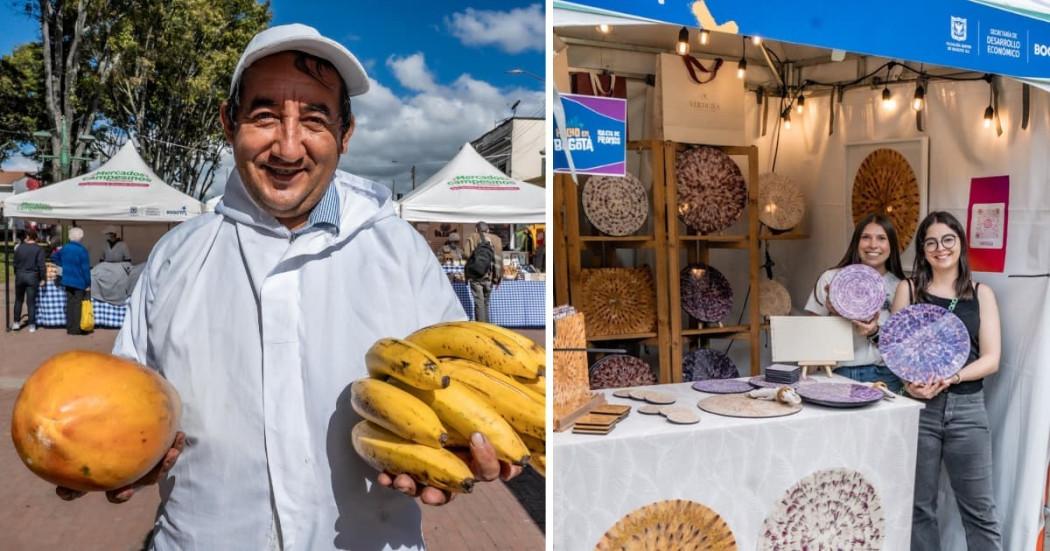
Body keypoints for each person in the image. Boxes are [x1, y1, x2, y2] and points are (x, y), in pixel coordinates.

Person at [55, 24, 520, 550]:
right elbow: (127, 399)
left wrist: (459, 450)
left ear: (346, 134)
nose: (288, 145)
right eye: (264, 115)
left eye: (316, 119)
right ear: (229, 123)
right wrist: (109, 455)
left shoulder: (401, 253)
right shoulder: (175, 257)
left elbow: (456, 394)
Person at [891, 211, 1002, 550]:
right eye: (931, 242)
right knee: (919, 507)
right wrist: (909, 383)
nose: (941, 248)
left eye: (948, 239)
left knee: (979, 509)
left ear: (960, 243)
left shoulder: (981, 293)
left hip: (967, 409)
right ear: (923, 250)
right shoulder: (908, 290)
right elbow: (897, 353)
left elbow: (991, 359)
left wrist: (952, 377)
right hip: (920, 409)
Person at [804, 213, 907, 392]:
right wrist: (833, 314)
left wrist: (873, 331)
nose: (873, 245)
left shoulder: (901, 287)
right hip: (839, 372)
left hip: (887, 374)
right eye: (865, 237)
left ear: (891, 245)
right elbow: (812, 336)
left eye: (881, 238)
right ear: (856, 243)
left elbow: (903, 344)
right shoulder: (831, 279)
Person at [49, 227, 91, 335]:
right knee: (77, 305)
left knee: (70, 303)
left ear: (69, 237)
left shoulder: (65, 248)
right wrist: (88, 283)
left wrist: (63, 264)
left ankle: (69, 327)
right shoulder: (82, 250)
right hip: (79, 281)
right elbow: (86, 269)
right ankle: (75, 329)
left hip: (67, 280)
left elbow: (53, 256)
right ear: (81, 237)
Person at [463, 221, 503, 322]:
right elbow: (500, 260)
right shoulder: (496, 239)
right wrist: (498, 278)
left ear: (476, 230)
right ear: (488, 230)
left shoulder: (473, 237)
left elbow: (466, 254)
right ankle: (487, 327)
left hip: (476, 275)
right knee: (485, 303)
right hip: (490, 276)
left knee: (479, 303)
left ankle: (481, 328)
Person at [11, 229, 47, 332]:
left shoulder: (19, 248)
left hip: (20, 275)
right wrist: (43, 278)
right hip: (32, 277)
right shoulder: (39, 249)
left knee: (18, 300)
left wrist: (17, 273)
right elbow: (41, 266)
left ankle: (16, 323)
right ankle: (32, 325)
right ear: (36, 238)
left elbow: (14, 263)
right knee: (31, 302)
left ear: (27, 237)